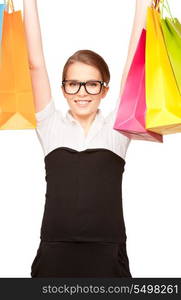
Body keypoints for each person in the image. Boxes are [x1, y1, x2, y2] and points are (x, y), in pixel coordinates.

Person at [23, 0, 153, 277]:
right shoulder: (49, 125)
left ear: (104, 89)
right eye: (73, 83)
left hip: (107, 256)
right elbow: (34, 64)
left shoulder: (116, 129)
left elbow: (135, 65)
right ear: (64, 88)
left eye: (92, 84)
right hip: (54, 255)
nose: (82, 92)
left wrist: (143, 4)